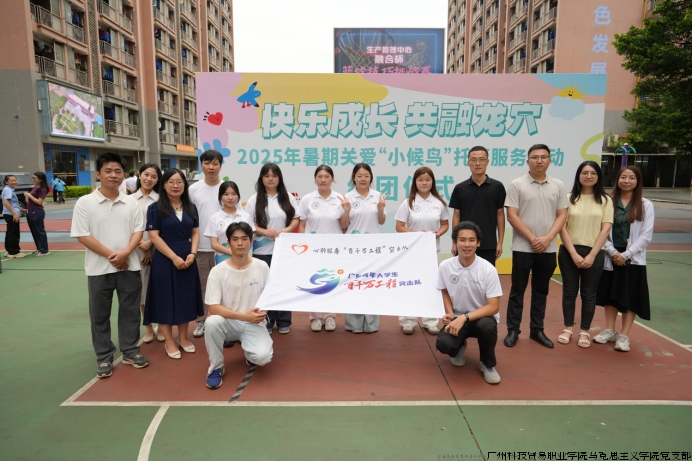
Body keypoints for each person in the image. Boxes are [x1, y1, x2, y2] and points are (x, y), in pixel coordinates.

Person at [70, 152, 149, 378]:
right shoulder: (85, 203)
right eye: (108, 171)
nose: (113, 175)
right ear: (98, 174)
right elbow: (82, 235)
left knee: (131, 312)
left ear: (124, 175)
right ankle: (104, 357)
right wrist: (113, 256)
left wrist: (125, 254)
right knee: (99, 315)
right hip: (98, 269)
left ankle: (130, 351)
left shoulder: (131, 202)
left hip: (130, 268)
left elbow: (138, 231)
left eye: (117, 171)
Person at [504, 144, 568, 349]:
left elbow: (562, 215)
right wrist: (533, 238)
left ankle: (537, 330)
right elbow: (512, 216)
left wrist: (547, 238)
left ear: (550, 160)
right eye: (534, 157)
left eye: (543, 157)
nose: (539, 161)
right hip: (523, 247)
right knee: (517, 290)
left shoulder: (558, 185)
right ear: (527, 161)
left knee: (541, 290)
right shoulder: (516, 184)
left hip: (548, 248)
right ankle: (513, 330)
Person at [204, 222, 273, 389]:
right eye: (235, 239)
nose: (240, 243)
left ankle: (250, 352)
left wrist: (262, 313)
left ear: (251, 241)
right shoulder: (218, 271)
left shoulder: (262, 266)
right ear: (228, 243)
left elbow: (269, 296)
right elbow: (214, 307)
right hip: (228, 321)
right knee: (211, 322)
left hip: (254, 322)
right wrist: (243, 316)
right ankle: (216, 367)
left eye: (244, 239)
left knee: (262, 358)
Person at [144, 168, 204, 360]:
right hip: (165, 260)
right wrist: (174, 257)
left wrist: (193, 253)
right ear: (163, 185)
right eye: (171, 182)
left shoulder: (191, 207)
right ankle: (169, 341)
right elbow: (154, 237)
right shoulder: (155, 208)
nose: (175, 185)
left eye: (179, 182)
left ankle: (183, 338)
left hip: (188, 259)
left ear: (185, 185)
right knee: (165, 300)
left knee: (185, 298)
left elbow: (195, 232)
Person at [593, 166, 654, 352]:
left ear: (638, 181)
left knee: (631, 296)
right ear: (617, 180)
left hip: (633, 258)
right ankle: (610, 330)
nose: (627, 181)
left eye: (632, 178)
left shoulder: (645, 205)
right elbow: (601, 230)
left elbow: (646, 235)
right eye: (623, 177)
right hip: (611, 255)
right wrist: (612, 252)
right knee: (610, 294)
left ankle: (624, 335)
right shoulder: (607, 202)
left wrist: (626, 255)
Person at [436, 222, 503, 384]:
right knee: (443, 344)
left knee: (487, 326)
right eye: (462, 240)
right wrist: (450, 313)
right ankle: (459, 347)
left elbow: (493, 307)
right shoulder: (445, 266)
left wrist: (464, 317)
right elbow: (444, 290)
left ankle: (487, 364)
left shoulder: (488, 270)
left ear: (478, 243)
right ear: (455, 242)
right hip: (457, 318)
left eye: (472, 240)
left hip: (481, 319)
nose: (467, 244)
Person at [556, 161, 613, 348]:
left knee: (589, 294)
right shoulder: (567, 198)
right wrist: (573, 253)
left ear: (598, 176)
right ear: (578, 175)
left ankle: (584, 331)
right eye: (585, 172)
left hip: (595, 253)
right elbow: (562, 227)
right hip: (568, 252)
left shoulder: (605, 201)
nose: (589, 176)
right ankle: (568, 328)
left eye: (593, 173)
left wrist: (592, 255)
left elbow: (605, 230)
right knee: (569, 292)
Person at [244, 163, 299, 334]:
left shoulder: (287, 197)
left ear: (279, 178)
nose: (270, 179)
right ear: (261, 178)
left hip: (283, 250)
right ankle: (266, 320)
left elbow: (296, 218)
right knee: (263, 286)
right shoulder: (254, 199)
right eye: (267, 176)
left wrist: (287, 229)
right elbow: (248, 223)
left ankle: (283, 321)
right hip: (262, 251)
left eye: (274, 176)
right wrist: (263, 231)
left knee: (283, 284)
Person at [395, 166, 449, 335]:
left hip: (432, 250)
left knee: (432, 285)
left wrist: (439, 233)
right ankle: (408, 321)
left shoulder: (439, 203)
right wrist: (416, 235)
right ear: (415, 182)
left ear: (432, 182)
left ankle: (431, 321)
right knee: (409, 284)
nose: (424, 183)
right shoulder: (408, 202)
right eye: (420, 180)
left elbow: (445, 224)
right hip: (411, 251)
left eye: (427, 180)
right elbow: (399, 226)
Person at [297, 165, 350, 332]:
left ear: (332, 179)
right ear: (315, 179)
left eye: (327, 176)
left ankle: (330, 316)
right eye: (319, 176)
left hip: (334, 248)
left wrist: (346, 211)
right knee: (314, 282)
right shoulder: (307, 199)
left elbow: (344, 225)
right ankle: (315, 318)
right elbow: (302, 224)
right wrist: (302, 245)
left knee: (331, 282)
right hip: (313, 248)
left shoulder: (340, 199)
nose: (323, 180)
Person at [189, 150, 235, 338]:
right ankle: (201, 320)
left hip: (225, 249)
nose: (211, 167)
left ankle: (226, 321)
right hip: (201, 247)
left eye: (215, 164)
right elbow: (188, 216)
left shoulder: (227, 188)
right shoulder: (193, 189)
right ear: (201, 165)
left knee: (227, 286)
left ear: (220, 166)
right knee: (202, 285)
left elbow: (235, 215)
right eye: (207, 163)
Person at [343, 163, 386, 334]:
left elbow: (381, 221)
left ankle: (371, 323)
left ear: (371, 178)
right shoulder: (347, 197)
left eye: (366, 176)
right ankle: (354, 323)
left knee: (371, 284)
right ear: (353, 178)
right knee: (354, 283)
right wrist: (346, 211)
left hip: (372, 247)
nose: (363, 179)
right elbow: (343, 224)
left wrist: (381, 210)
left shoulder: (377, 196)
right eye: (359, 176)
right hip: (353, 247)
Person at [449, 146, 506, 266]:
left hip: (489, 243)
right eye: (473, 160)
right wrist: (454, 242)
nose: (477, 163)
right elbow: (456, 216)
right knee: (463, 274)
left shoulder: (497, 187)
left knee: (486, 275)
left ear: (487, 161)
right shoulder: (460, 188)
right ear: (468, 162)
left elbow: (500, 215)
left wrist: (500, 242)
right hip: (465, 244)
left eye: (481, 159)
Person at [131, 163, 162, 344]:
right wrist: (141, 247)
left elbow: (164, 225)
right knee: (142, 289)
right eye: (146, 175)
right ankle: (148, 327)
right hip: (136, 250)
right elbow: (127, 226)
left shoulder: (161, 200)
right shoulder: (129, 200)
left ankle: (162, 325)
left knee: (159, 288)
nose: (149, 179)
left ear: (158, 180)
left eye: (154, 176)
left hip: (159, 248)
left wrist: (149, 244)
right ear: (140, 175)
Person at [205, 181, 254, 265]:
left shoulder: (246, 216)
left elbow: (250, 239)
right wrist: (234, 252)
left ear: (238, 196)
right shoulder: (214, 218)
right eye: (226, 194)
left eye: (234, 194)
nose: (230, 198)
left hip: (244, 259)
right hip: (222, 260)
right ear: (220, 196)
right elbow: (214, 244)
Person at [24, 172, 50, 256]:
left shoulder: (42, 189)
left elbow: (39, 202)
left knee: (39, 230)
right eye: (33, 178)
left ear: (40, 179)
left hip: (36, 211)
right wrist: (27, 196)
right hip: (30, 210)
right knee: (34, 231)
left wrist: (30, 195)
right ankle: (39, 248)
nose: (33, 179)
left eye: (35, 178)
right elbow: (29, 200)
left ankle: (44, 250)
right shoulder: (35, 187)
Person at [3, 175, 25, 259]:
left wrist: (20, 209)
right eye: (11, 181)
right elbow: (6, 202)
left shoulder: (8, 189)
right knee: (14, 233)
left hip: (9, 214)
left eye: (15, 180)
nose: (14, 182)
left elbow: (12, 203)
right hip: (11, 214)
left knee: (10, 232)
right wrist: (14, 213)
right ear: (6, 182)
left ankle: (9, 250)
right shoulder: (8, 190)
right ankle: (14, 252)